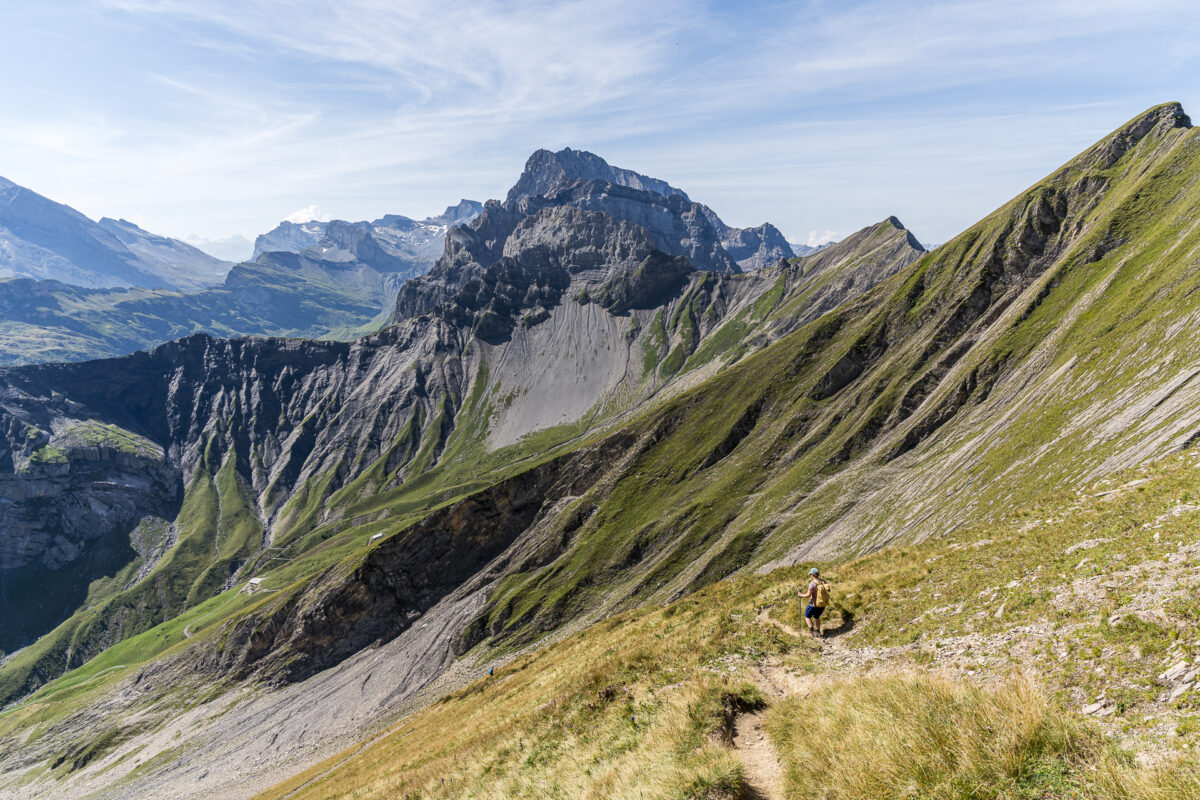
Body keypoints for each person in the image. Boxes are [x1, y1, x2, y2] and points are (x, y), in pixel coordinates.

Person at [800, 567, 829, 638]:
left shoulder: (812, 584)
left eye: (810, 574)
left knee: (807, 616)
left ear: (812, 575)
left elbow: (808, 595)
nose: (810, 575)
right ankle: (818, 631)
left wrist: (800, 595)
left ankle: (812, 632)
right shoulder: (824, 581)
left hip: (813, 605)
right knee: (817, 617)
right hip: (822, 604)